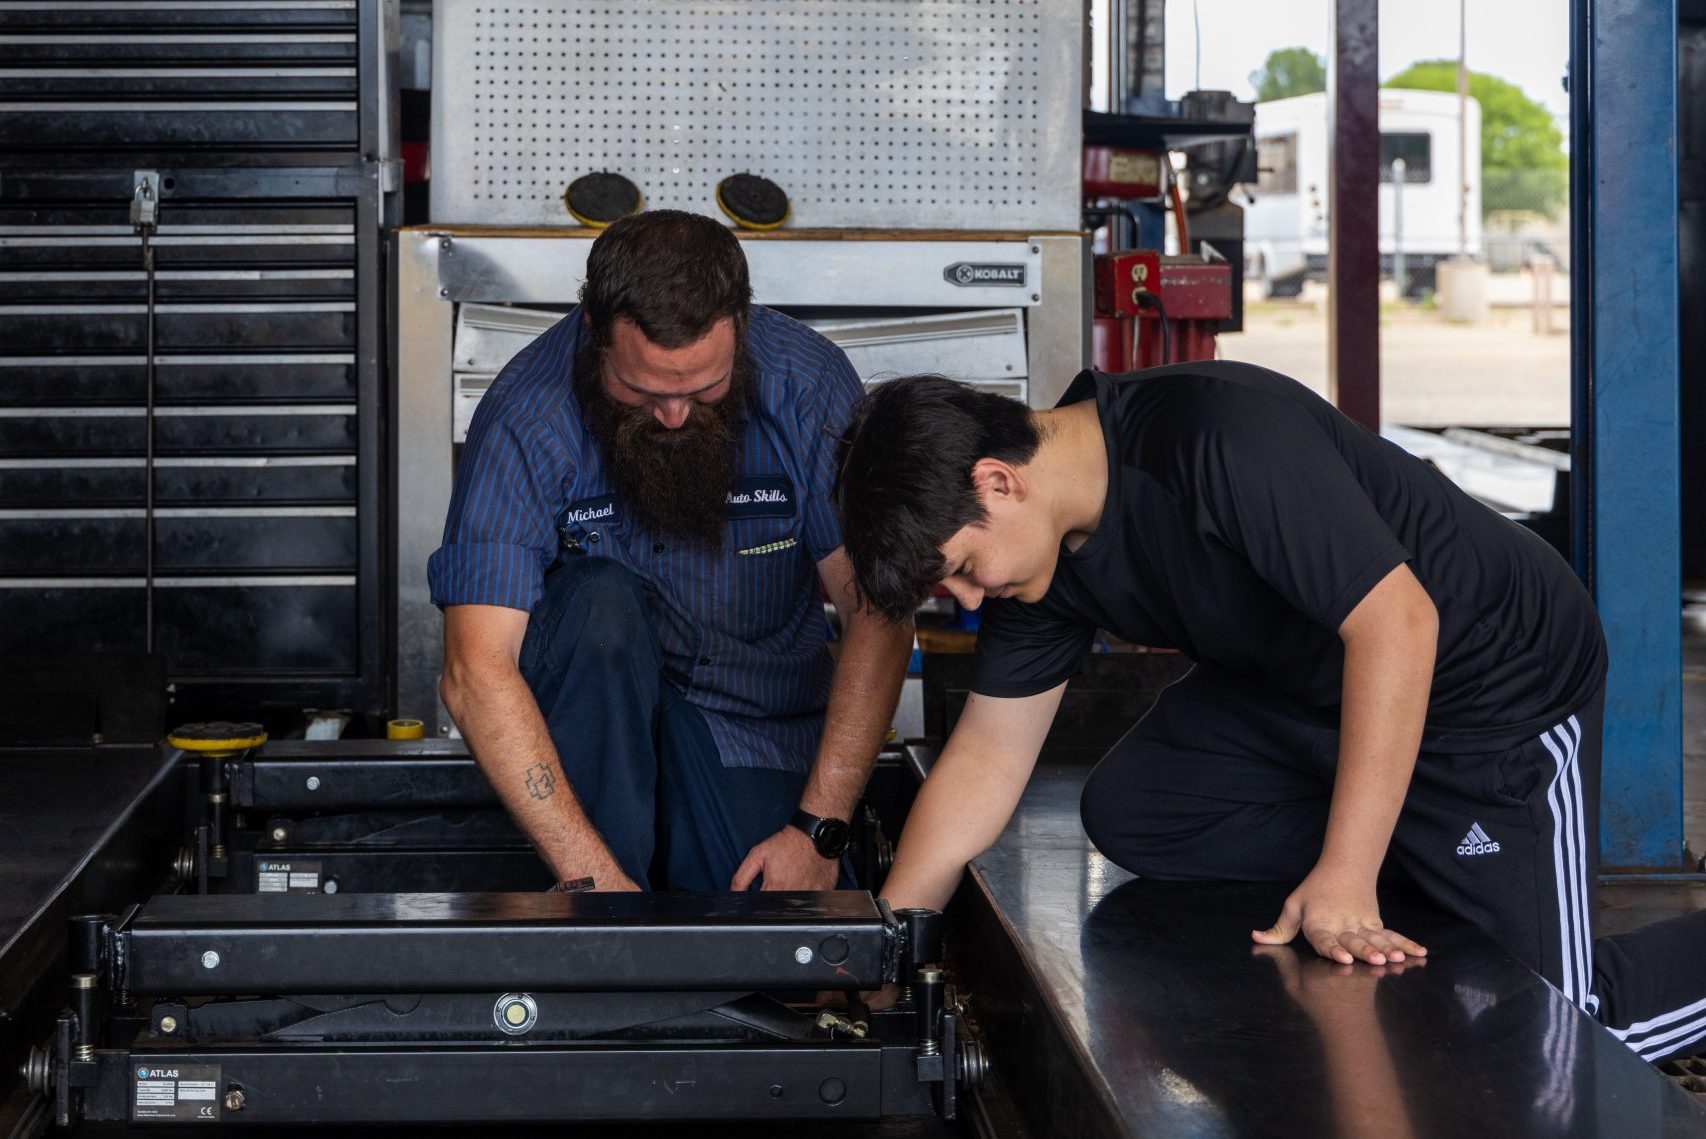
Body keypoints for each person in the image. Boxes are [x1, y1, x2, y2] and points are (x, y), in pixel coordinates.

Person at [833, 361, 1706, 1061]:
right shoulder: (1043, 556)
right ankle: (1419, 858)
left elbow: (1401, 624)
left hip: (1487, 691)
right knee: (1140, 809)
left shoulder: (1221, 433)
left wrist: (1348, 872)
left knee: (1557, 1034)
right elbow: (986, 758)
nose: (966, 598)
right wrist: (887, 949)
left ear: (997, 480)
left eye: (957, 568)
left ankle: (1425, 860)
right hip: (1308, 690)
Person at [428, 210, 912, 894]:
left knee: (790, 971)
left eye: (701, 389)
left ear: (741, 328)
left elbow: (880, 613)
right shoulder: (526, 414)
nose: (676, 415)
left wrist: (817, 827)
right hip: (594, 734)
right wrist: (594, 881)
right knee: (599, 602)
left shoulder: (810, 387)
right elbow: (474, 669)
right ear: (595, 334)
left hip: (753, 727)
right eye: (644, 391)